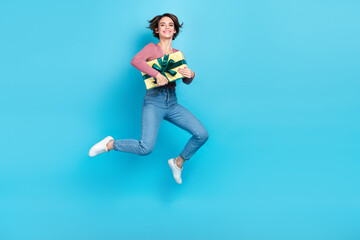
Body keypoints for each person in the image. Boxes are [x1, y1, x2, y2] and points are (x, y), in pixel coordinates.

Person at [88, 13, 209, 184]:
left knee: (202, 134)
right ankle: (109, 144)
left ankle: (178, 162)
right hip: (154, 101)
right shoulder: (152, 48)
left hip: (172, 102)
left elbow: (186, 80)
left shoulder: (178, 54)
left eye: (171, 25)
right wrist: (156, 74)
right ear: (157, 29)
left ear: (175, 30)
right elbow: (136, 61)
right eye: (163, 25)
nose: (167, 27)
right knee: (145, 148)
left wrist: (191, 74)